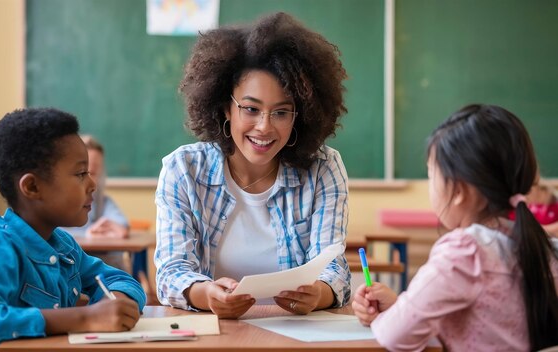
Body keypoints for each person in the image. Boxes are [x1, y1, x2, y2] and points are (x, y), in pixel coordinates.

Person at [154, 12, 351, 319]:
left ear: (301, 114)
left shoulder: (323, 168)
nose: (264, 127)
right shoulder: (184, 170)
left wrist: (319, 294)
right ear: (225, 107)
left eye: (281, 113)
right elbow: (171, 271)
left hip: (298, 334)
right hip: (215, 332)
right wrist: (208, 295)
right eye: (251, 108)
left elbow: (333, 268)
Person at [352, 104, 558, 351]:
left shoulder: (465, 253)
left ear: (458, 190)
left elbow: (395, 335)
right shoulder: (544, 247)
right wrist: (400, 307)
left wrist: (387, 317)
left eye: (431, 174)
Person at [0, 108, 146, 352]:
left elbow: (119, 279)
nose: (92, 184)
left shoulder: (62, 245)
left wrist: (113, 304)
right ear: (32, 187)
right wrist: (87, 318)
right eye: (81, 173)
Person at [60, 135, 130, 272]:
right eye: (83, 172)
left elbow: (121, 228)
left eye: (95, 172)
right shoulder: (58, 203)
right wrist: (88, 232)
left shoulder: (102, 201)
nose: (92, 182)